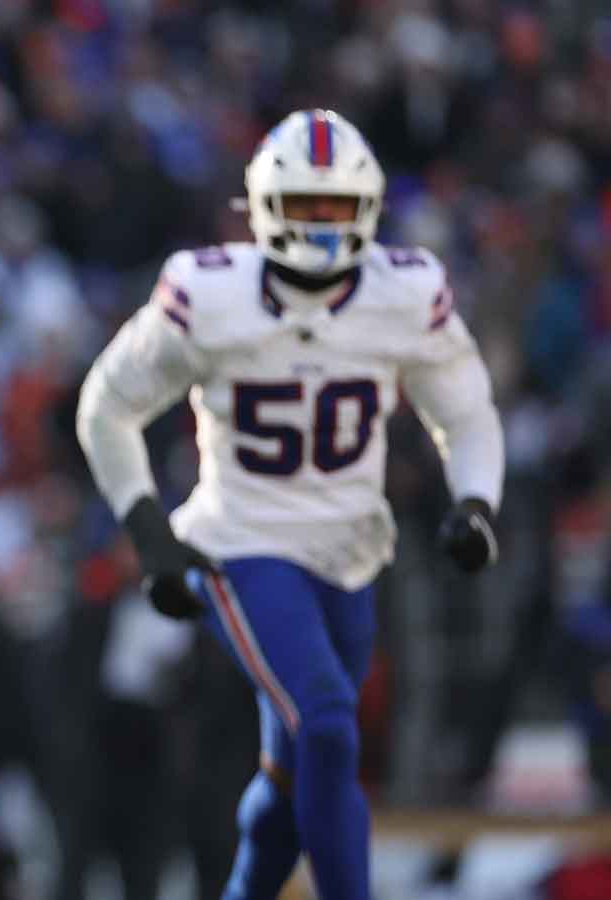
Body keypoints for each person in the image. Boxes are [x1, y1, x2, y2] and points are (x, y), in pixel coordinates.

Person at [76, 109, 505, 900]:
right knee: (329, 722)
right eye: (305, 204)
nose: (320, 223)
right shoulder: (208, 292)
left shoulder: (404, 292)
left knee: (292, 766)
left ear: (368, 209)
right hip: (241, 545)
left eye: (335, 207)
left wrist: (475, 501)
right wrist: (148, 529)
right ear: (266, 205)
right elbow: (107, 404)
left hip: (350, 553)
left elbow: (467, 410)